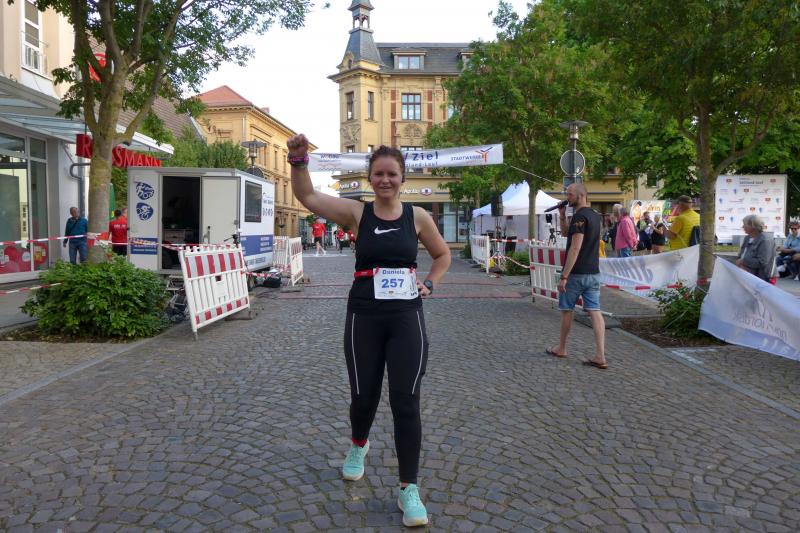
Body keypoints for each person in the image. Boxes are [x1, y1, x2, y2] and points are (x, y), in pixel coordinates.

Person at [287, 134, 451, 527]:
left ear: (403, 177)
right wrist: (298, 161)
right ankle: (358, 444)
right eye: (378, 174)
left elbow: (442, 254)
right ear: (369, 178)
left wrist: (430, 283)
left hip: (406, 317)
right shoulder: (358, 214)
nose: (385, 180)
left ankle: (408, 488)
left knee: (406, 401)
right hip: (365, 316)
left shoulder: (418, 217)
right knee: (364, 397)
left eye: (392, 174)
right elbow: (307, 196)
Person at [546, 183, 607, 369]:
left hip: (576, 273)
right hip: (593, 272)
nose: (567, 197)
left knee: (567, 309)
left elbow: (575, 247)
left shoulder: (580, 217)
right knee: (595, 310)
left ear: (581, 195)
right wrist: (562, 216)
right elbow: (567, 234)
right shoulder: (594, 215)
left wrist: (564, 276)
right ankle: (600, 355)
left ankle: (561, 348)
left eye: (570, 194)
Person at [735, 214, 776, 281]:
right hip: (748, 274)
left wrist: (743, 261)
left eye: (745, 224)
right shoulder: (747, 237)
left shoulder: (765, 240)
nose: (742, 226)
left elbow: (762, 262)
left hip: (764, 278)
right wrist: (740, 264)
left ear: (753, 226)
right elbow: (740, 255)